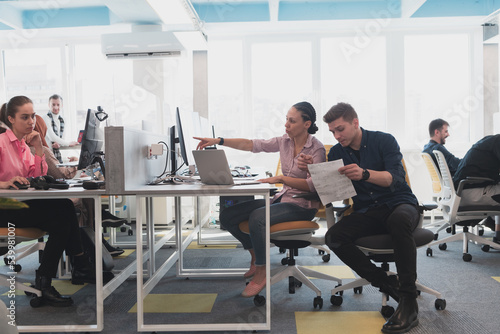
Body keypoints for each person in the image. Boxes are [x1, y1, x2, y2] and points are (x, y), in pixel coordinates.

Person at [299, 102, 420, 333]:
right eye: (332, 131)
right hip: (369, 211)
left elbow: (394, 179)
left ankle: (408, 299)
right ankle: (385, 282)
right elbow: (335, 192)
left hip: (400, 203)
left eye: (340, 129)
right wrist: (313, 171)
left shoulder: (384, 140)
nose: (336, 135)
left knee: (398, 221)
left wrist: (365, 174)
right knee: (334, 236)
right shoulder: (336, 152)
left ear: (355, 122)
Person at [194, 101, 325, 298]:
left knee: (258, 218)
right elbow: (251, 144)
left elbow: (314, 186)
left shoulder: (317, 149)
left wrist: (281, 178)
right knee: (229, 215)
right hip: (282, 199)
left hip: (302, 205)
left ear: (307, 124)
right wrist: (218, 141)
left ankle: (262, 272)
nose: (286, 124)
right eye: (286, 119)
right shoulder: (284, 141)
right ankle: (256, 256)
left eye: (292, 121)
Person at [0, 96, 96, 307]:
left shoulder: (25, 146)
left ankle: (46, 282)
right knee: (63, 213)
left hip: (21, 205)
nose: (31, 121)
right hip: (4, 208)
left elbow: (40, 175)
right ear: (10, 119)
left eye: (32, 116)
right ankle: (77, 266)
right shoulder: (1, 143)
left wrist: (38, 148)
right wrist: (4, 183)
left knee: (64, 209)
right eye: (24, 117)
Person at [453, 134, 500, 243]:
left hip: (462, 192)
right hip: (472, 191)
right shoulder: (497, 142)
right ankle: (495, 229)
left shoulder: (490, 141)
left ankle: (494, 225)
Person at [42, 94, 78, 163]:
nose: (56, 107)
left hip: (57, 153)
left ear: (61, 106)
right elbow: (52, 137)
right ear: (49, 105)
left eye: (58, 105)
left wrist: (59, 144)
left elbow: (62, 139)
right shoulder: (45, 118)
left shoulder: (63, 120)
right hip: (47, 154)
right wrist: (68, 143)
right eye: (53, 104)